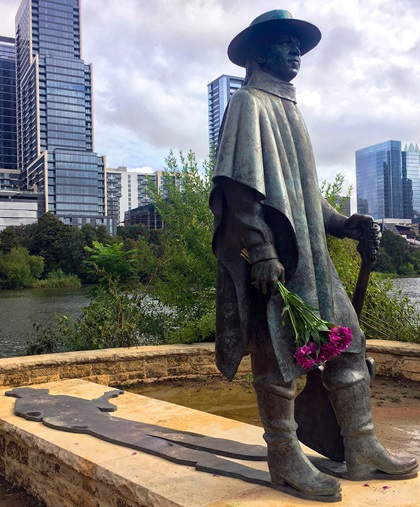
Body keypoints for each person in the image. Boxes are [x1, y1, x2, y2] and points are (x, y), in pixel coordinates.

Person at [209, 9, 417, 500]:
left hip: (316, 261)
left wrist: (345, 224)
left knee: (349, 345)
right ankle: (283, 455)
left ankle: (361, 447)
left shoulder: (291, 108)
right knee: (277, 357)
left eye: (297, 45)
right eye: (285, 44)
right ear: (261, 52)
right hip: (277, 263)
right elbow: (239, 190)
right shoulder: (247, 103)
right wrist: (259, 249)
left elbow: (304, 196)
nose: (296, 52)